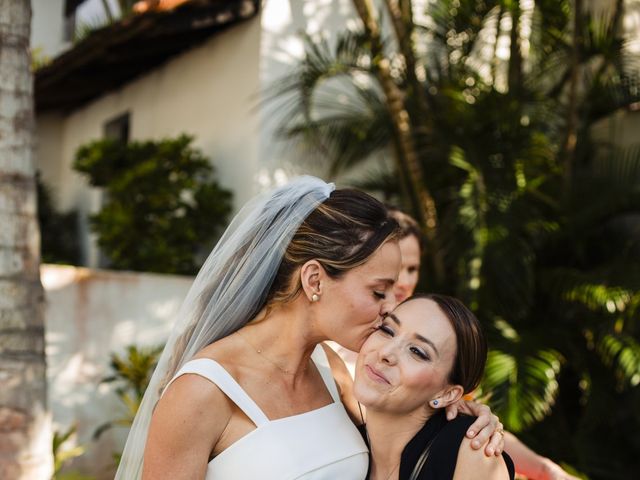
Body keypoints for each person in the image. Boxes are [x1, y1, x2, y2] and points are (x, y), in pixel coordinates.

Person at [115, 176, 503, 480]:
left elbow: (401, 432)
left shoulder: (334, 371)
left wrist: (470, 416)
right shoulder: (202, 392)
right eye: (379, 291)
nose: (390, 309)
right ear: (315, 281)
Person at [385, 207, 580, 480]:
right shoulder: (352, 348)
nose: (404, 282)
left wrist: (546, 470)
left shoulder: (437, 338)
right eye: (397, 267)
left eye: (413, 269)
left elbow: (472, 430)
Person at [354, 293, 515, 480]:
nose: (385, 352)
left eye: (417, 351)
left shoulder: (471, 451)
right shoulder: (342, 443)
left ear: (447, 394)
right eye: (388, 330)